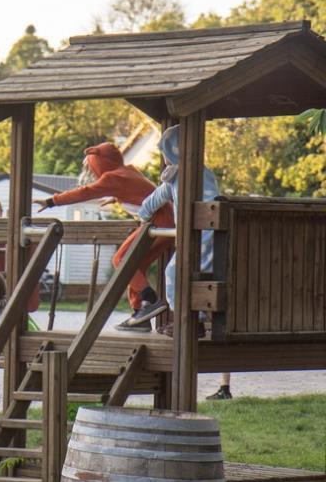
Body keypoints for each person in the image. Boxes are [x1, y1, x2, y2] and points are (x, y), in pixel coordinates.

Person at [34, 141, 175, 332]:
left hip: (158, 223)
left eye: (91, 165)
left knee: (121, 259)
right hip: (168, 223)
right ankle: (140, 316)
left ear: (100, 163)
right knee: (135, 265)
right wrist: (116, 197)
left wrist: (52, 201)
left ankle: (150, 299)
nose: (91, 171)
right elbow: (138, 190)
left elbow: (84, 192)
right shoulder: (127, 171)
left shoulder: (112, 177)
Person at [129, 124, 221, 334]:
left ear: (172, 151)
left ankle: (184, 321)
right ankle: (198, 319)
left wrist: (143, 217)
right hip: (215, 231)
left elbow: (154, 200)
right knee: (204, 275)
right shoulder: (205, 172)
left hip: (195, 234)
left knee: (174, 273)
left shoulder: (175, 175)